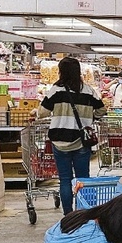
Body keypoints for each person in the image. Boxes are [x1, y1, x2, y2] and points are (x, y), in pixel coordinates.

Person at [38, 57, 107, 214]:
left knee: (65, 180)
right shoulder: (88, 90)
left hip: (59, 140)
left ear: (61, 71)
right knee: (84, 179)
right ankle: (86, 213)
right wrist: (89, 117)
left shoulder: (56, 90)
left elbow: (42, 112)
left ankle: (68, 214)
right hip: (81, 141)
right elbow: (102, 110)